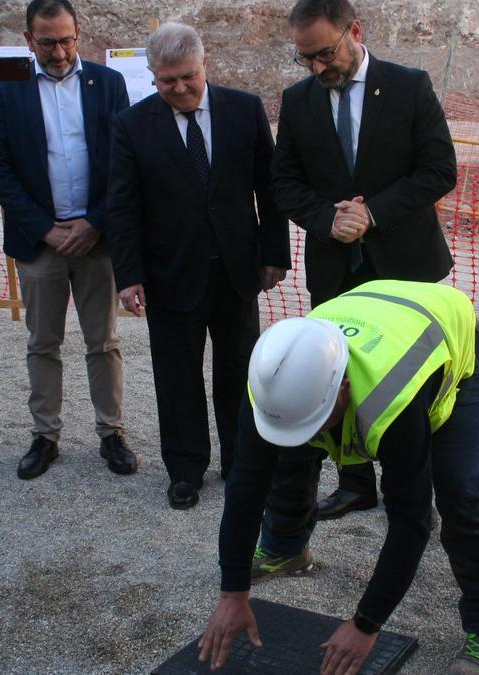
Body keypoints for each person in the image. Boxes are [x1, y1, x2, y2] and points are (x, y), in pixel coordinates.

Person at [199, 280, 479, 674]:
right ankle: (286, 549)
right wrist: (232, 592)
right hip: (373, 310)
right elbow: (245, 487)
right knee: (287, 454)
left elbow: (410, 522)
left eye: (315, 422)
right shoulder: (269, 384)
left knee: (458, 488)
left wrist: (366, 623)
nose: (310, 435)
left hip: (448, 331)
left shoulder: (393, 401)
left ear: (343, 390)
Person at [267, 0, 457, 523]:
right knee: (336, 377)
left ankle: (415, 492)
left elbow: (440, 170)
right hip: (336, 269)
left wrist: (373, 213)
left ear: (355, 30)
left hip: (407, 265)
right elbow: (285, 184)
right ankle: (355, 484)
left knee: (415, 383)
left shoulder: (409, 85)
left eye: (325, 54)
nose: (317, 68)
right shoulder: (298, 100)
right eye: (305, 58)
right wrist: (327, 221)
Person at [105, 23, 290, 510]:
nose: (180, 89)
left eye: (188, 77)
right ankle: (185, 469)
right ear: (152, 77)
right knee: (176, 377)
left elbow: (268, 190)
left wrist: (274, 253)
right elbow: (121, 206)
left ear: (205, 65)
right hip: (170, 275)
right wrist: (129, 275)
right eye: (167, 82)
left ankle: (241, 462)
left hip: (236, 271)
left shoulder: (244, 110)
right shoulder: (130, 126)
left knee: (239, 373)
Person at [0, 0, 135, 480]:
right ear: (29, 40)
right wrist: (45, 228)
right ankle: (44, 435)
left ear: (79, 33)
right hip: (41, 241)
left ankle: (111, 433)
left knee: (104, 342)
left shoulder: (107, 85)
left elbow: (122, 165)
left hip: (96, 238)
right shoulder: (9, 91)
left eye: (67, 39)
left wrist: (93, 222)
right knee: (43, 343)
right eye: (47, 42)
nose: (59, 50)